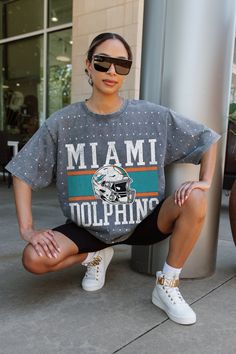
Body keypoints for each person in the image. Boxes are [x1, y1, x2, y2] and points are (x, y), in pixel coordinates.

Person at [6, 32, 220, 326]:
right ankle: (93, 255)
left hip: (144, 221)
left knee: (194, 198)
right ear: (88, 65)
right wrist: (28, 229)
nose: (111, 71)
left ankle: (167, 285)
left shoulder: (150, 116)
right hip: (88, 226)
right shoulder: (63, 122)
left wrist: (205, 182)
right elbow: (23, 169)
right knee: (33, 258)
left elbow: (207, 138)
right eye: (103, 61)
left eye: (122, 65)